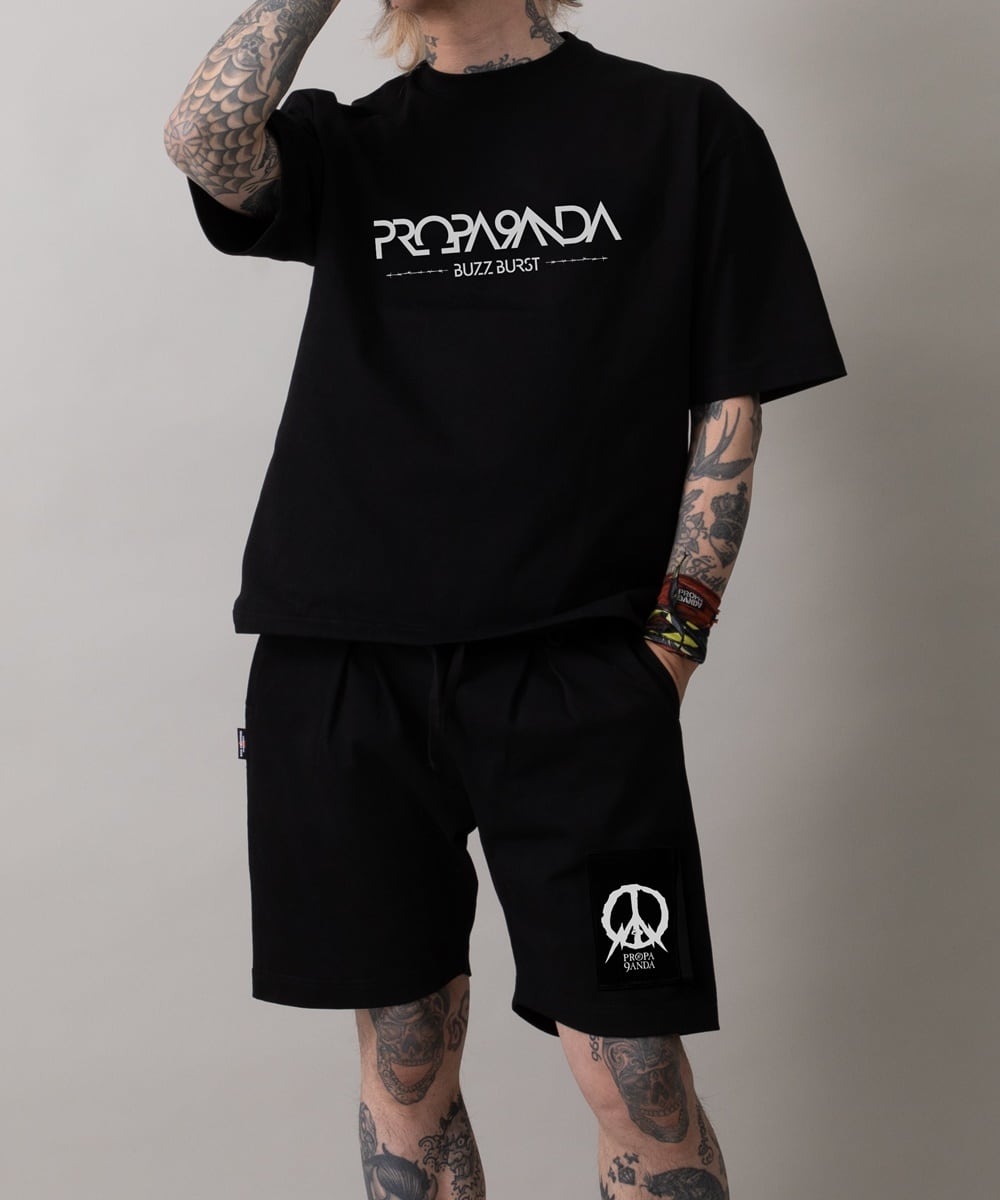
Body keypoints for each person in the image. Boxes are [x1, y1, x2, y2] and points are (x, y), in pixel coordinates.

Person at [164, 1, 847, 1196]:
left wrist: (669, 650)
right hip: (343, 660)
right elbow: (205, 137)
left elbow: (728, 411)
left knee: (632, 1069)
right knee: (405, 1069)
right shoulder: (350, 142)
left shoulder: (681, 128)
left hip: (576, 669)